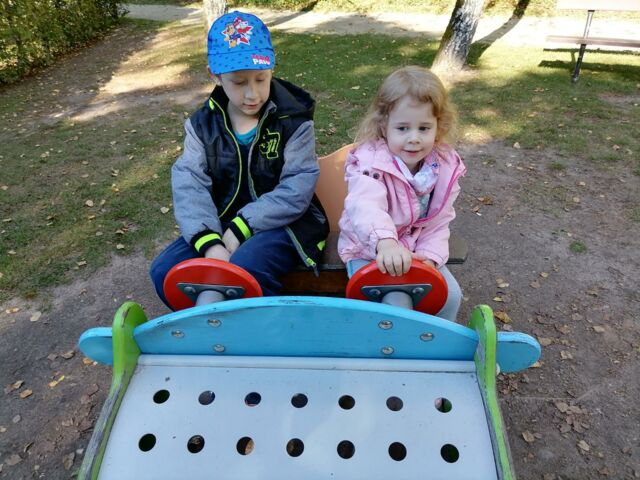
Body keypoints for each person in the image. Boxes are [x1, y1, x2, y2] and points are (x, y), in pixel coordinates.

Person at [150, 11, 329, 308]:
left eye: (261, 79)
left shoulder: (294, 120)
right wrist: (210, 243)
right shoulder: (201, 126)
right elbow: (189, 184)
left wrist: (240, 227)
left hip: (284, 223)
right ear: (216, 76)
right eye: (239, 82)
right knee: (164, 272)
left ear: (271, 68)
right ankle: (209, 325)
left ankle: (264, 330)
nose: (252, 93)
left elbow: (298, 186)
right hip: (220, 221)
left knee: (247, 268)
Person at [338, 66, 466, 321]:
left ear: (438, 127)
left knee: (450, 296)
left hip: (416, 250)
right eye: (403, 128)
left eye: (424, 128)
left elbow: (438, 222)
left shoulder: (443, 167)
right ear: (384, 126)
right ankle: (382, 342)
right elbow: (365, 205)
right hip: (368, 248)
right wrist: (385, 243)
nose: (414, 138)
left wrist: (430, 258)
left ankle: (434, 340)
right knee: (392, 302)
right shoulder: (370, 164)